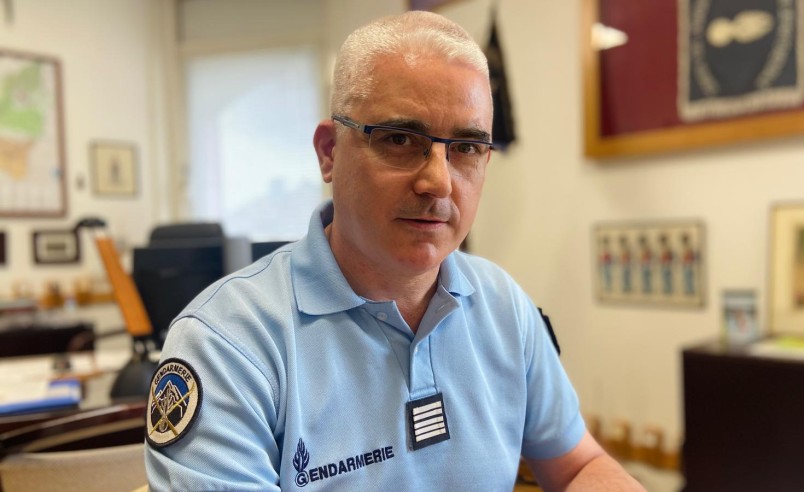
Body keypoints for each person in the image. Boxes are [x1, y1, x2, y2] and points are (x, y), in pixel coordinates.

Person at [145, 11, 643, 491]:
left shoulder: (503, 305)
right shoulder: (228, 345)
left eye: (466, 148)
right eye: (401, 139)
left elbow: (578, 465)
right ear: (329, 152)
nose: (438, 182)